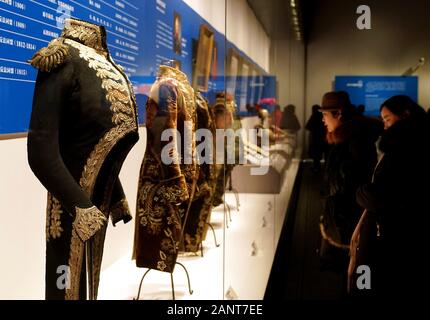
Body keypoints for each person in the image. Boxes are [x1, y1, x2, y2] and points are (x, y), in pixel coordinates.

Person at [349, 95, 430, 299]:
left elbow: (390, 196)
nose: (384, 126)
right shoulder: (404, 146)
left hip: (387, 238)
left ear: (405, 115)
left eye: (387, 119)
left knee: (368, 283)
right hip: (385, 234)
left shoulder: (407, 149)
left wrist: (362, 192)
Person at [318, 91, 378, 290]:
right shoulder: (345, 140)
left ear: (339, 114)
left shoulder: (356, 143)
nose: (323, 119)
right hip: (340, 217)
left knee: (351, 272)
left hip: (348, 220)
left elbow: (353, 185)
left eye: (326, 114)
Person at [305, 104, 327, 172]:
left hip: (314, 138)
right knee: (319, 153)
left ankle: (316, 167)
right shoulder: (322, 116)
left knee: (315, 154)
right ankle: (320, 167)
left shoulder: (314, 116)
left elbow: (307, 126)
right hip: (322, 138)